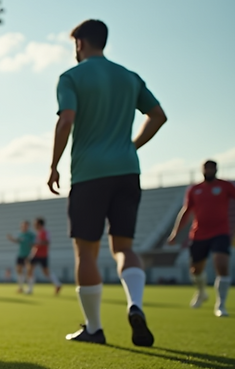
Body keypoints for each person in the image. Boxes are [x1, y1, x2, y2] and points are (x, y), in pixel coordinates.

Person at [47, 19, 167, 346]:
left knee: (86, 252)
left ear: (81, 43)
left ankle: (94, 328)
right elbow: (158, 116)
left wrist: (54, 165)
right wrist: (131, 146)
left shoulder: (71, 77)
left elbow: (67, 119)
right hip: (128, 171)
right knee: (124, 248)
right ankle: (135, 305)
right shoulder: (130, 77)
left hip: (90, 173)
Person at [167, 160, 235, 317]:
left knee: (221, 265)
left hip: (220, 232)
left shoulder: (226, 186)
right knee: (195, 270)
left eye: (212, 168)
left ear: (216, 169)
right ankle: (201, 292)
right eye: (206, 168)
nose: (209, 170)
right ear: (202, 170)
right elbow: (186, 212)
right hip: (198, 235)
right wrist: (175, 233)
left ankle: (221, 305)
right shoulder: (194, 189)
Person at [28, 217, 62, 295]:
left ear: (39, 224)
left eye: (35, 224)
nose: (34, 225)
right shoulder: (38, 233)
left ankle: (57, 284)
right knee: (30, 269)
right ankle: (30, 289)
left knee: (44, 272)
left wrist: (36, 244)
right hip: (36, 254)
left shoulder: (45, 232)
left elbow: (47, 242)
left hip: (42, 255)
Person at [7, 220, 34, 293]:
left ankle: (30, 288)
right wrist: (11, 238)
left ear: (28, 226)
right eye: (22, 225)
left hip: (28, 255)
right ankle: (20, 287)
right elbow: (17, 241)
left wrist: (31, 253)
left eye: (25, 225)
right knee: (19, 270)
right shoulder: (19, 234)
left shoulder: (31, 235)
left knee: (29, 271)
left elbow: (34, 245)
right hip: (20, 254)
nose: (23, 227)